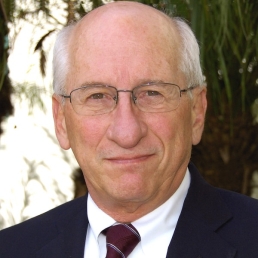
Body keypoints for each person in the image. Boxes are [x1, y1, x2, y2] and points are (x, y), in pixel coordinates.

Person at [0, 1, 258, 257]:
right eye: (97, 96)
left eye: (152, 93)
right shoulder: (12, 249)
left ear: (196, 112)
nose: (127, 133)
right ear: (61, 120)